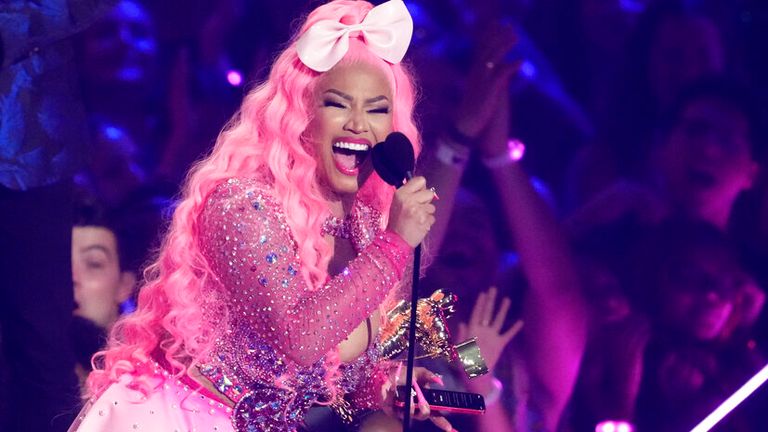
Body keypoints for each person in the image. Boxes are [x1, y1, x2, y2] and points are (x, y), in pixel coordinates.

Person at [69, 1, 449, 431]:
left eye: (377, 109)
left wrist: (388, 385)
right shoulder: (243, 205)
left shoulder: (366, 227)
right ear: (302, 113)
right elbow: (301, 338)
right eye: (338, 104)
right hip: (182, 418)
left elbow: (332, 375)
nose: (359, 124)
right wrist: (395, 245)